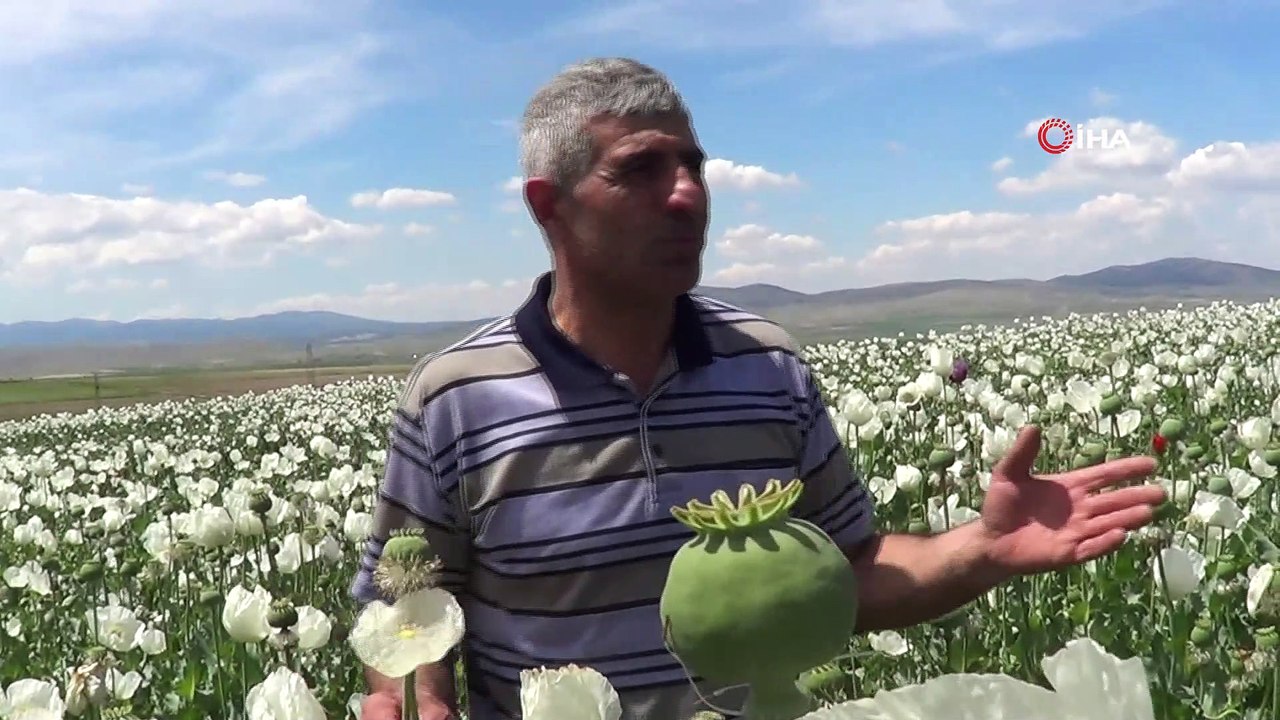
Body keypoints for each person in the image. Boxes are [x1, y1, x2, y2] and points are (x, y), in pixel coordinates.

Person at [352, 57, 1168, 720]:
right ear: (550, 207)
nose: (688, 194)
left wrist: (979, 551)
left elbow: (845, 576)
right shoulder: (456, 397)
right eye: (641, 169)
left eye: (693, 166)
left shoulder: (766, 365)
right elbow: (405, 619)